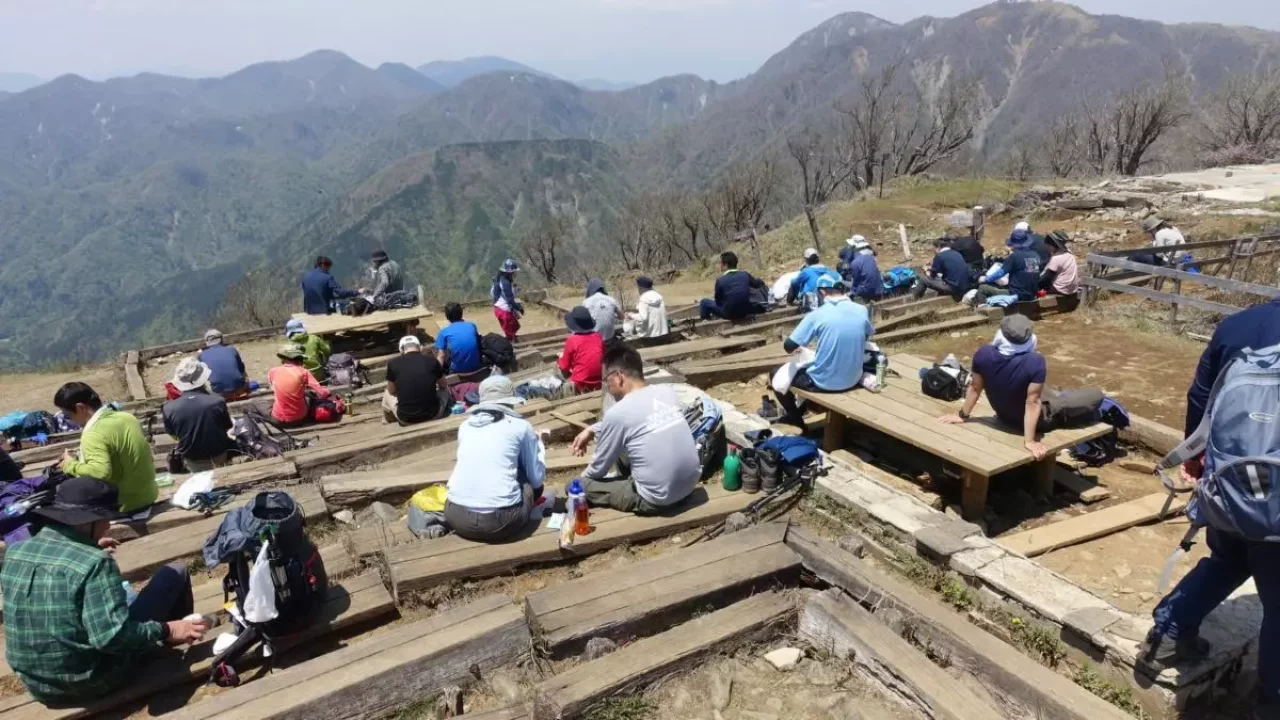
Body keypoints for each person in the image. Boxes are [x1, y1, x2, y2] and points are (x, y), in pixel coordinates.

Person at [1140, 299, 1280, 718]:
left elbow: (1201, 395)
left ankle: (1168, 631)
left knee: (1228, 557)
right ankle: (1271, 701)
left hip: (1233, 486)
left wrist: (1196, 462)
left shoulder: (1239, 324)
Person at [0, 477, 207, 705]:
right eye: (105, 519)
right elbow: (111, 637)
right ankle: (177, 638)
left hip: (38, 684)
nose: (108, 526)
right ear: (88, 521)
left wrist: (87, 545)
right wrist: (166, 629)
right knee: (174, 572)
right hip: (91, 680)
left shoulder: (16, 551)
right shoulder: (94, 563)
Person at [940, 315, 1102, 460]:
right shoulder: (1035, 361)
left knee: (1044, 390)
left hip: (1004, 414)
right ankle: (1062, 400)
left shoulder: (983, 353)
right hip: (1039, 420)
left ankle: (1058, 396)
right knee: (1096, 395)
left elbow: (975, 388)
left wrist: (962, 416)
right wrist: (1030, 441)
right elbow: (1032, 403)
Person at [570, 344, 700, 514]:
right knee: (625, 440)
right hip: (689, 487)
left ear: (618, 377)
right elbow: (639, 421)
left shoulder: (618, 412)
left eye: (605, 380)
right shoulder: (667, 392)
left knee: (575, 487)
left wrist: (581, 482)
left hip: (657, 499)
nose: (606, 386)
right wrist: (593, 429)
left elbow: (597, 469)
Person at [443, 376, 545, 542]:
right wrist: (539, 446)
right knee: (524, 476)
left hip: (455, 515)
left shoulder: (465, 426)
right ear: (509, 400)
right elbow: (536, 480)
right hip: (500, 521)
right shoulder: (521, 426)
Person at [774, 276, 874, 430]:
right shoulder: (861, 310)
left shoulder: (817, 315)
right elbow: (865, 335)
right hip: (853, 378)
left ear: (822, 292)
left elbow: (789, 346)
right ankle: (802, 409)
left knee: (775, 374)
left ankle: (797, 421)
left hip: (824, 383)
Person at [54, 382, 157, 514]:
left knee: (65, 496)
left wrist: (69, 464)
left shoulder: (93, 433)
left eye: (68, 415)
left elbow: (100, 472)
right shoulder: (127, 417)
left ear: (80, 408)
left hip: (125, 505)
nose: (70, 420)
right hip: (148, 495)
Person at [162, 358, 235, 473]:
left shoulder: (168, 408)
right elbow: (227, 426)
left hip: (192, 459)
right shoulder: (217, 401)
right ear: (204, 379)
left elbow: (174, 435)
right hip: (219, 455)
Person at [383, 336, 449, 425]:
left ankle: (387, 421)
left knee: (387, 393)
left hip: (405, 419)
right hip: (434, 415)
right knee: (445, 390)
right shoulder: (432, 360)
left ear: (401, 349)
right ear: (419, 347)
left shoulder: (392, 363)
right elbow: (444, 385)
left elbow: (391, 391)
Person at [267, 345, 330, 427]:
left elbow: (273, 388)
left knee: (256, 403)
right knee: (309, 396)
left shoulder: (273, 371)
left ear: (283, 358)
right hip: (301, 419)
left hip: (278, 421)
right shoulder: (304, 372)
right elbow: (323, 393)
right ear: (300, 359)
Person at [974, 229, 1043, 304]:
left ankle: (986, 310)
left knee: (982, 288)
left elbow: (1000, 273)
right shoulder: (1035, 255)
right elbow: (1030, 273)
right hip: (1031, 295)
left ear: (1013, 244)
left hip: (1016, 295)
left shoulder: (1014, 256)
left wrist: (985, 279)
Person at [700, 252, 767, 321]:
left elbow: (718, 301)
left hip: (729, 314)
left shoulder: (720, 280)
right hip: (744, 311)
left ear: (725, 265)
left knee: (703, 302)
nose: (720, 265)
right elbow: (758, 284)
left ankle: (706, 320)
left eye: (721, 263)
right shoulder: (745, 275)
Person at [558, 307, 605, 393]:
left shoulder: (572, 340)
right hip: (600, 381)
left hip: (580, 383)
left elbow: (564, 366)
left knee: (560, 366)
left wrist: (561, 357)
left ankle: (570, 387)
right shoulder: (598, 337)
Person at [197, 329, 249, 400]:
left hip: (216, 392)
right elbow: (242, 370)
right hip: (239, 388)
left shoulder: (201, 355)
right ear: (221, 339)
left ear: (207, 342)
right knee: (241, 370)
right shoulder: (232, 350)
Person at [434, 302, 483, 375]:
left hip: (458, 370)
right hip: (477, 366)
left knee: (440, 351)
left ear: (447, 317)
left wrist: (437, 375)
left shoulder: (443, 332)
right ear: (461, 314)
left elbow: (441, 355)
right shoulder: (472, 326)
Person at [492, 259, 523, 342]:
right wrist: (519, 308)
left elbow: (494, 294)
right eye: (513, 272)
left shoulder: (499, 280)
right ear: (509, 272)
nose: (514, 274)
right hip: (504, 311)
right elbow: (510, 300)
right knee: (511, 332)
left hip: (498, 309)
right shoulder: (505, 283)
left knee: (514, 327)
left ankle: (512, 342)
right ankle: (512, 348)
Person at [843, 238, 883, 302]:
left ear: (854, 248)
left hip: (866, 291)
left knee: (842, 282)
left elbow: (856, 283)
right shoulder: (871, 257)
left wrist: (851, 293)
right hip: (879, 289)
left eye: (850, 247)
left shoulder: (855, 263)